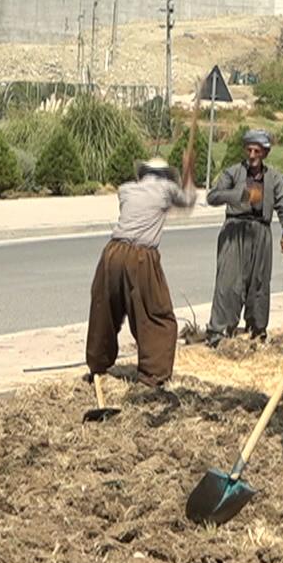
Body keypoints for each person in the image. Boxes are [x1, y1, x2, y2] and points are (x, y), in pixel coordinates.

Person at [87, 150, 198, 387]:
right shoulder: (166, 191)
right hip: (141, 257)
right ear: (165, 176)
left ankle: (97, 364)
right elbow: (187, 200)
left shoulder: (126, 190)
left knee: (104, 308)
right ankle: (153, 376)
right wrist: (189, 170)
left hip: (112, 253)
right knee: (156, 315)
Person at [205, 129, 283, 345]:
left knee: (259, 284)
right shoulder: (233, 173)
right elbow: (213, 196)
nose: (253, 154)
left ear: (265, 153)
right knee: (229, 283)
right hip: (235, 230)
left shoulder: (273, 177)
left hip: (261, 232)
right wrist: (241, 195)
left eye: (257, 150)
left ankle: (257, 330)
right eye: (249, 150)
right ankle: (219, 333)